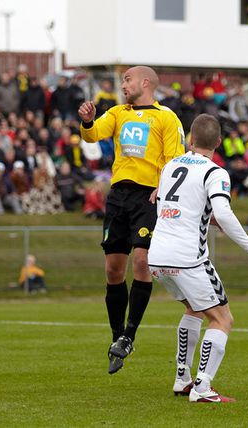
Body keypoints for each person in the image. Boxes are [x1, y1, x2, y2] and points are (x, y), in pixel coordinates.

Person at [148, 114, 248, 403]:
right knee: (223, 319)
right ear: (219, 142)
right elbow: (223, 212)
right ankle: (202, 387)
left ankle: (182, 379)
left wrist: (206, 220)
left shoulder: (170, 166)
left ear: (190, 139)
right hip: (187, 258)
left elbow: (167, 207)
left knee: (194, 309)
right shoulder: (215, 172)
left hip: (158, 255)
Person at [77, 65, 185, 374]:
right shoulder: (117, 113)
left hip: (147, 196)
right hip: (118, 197)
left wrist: (163, 188)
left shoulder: (166, 117)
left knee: (141, 261)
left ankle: (129, 335)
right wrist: (87, 121)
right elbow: (92, 135)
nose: (123, 85)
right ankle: (117, 336)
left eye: (127, 79)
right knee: (113, 269)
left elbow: (174, 159)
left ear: (145, 82)